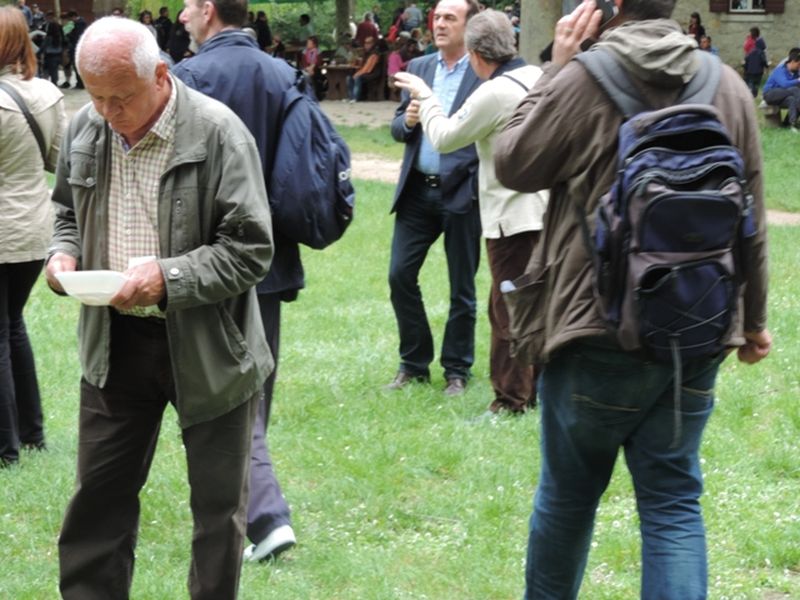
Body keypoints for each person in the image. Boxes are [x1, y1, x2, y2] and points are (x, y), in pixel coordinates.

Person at [494, 1, 770, 598]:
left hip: (593, 327)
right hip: (697, 327)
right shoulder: (727, 85)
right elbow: (752, 218)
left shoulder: (581, 79)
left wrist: (554, 68)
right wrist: (754, 323)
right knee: (673, 502)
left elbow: (512, 162)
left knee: (567, 498)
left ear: (612, 8)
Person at [46, 17, 273, 598]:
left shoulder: (219, 134)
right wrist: (63, 253)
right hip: (115, 341)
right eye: (96, 96)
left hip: (210, 345)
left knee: (218, 511)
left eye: (121, 97)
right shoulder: (85, 127)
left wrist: (167, 278)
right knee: (98, 499)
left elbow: (250, 249)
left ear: (161, 75)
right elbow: (66, 212)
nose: (108, 111)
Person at [173, 0, 302, 564]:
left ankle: (263, 516)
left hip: (209, 263)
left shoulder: (187, 77)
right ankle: (252, 507)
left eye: (187, 5)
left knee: (228, 399)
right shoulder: (282, 73)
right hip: (270, 259)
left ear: (208, 9)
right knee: (254, 387)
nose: (181, 16)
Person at [393, 9, 546, 415]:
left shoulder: (494, 91)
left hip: (511, 216)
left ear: (476, 54)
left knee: (507, 310)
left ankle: (510, 401)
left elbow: (444, 137)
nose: (440, 24)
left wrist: (425, 97)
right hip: (541, 210)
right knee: (529, 303)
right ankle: (536, 392)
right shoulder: (534, 76)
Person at [386, 0, 481, 395]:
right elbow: (396, 128)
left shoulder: (483, 71)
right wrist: (407, 122)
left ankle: (457, 370)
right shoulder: (420, 67)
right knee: (399, 275)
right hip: (417, 192)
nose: (440, 24)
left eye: (450, 18)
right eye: (437, 17)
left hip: (461, 192)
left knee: (462, 287)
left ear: (470, 26)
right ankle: (414, 364)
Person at [0, 6, 66, 467]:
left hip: (5, 229)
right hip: (35, 228)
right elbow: (59, 160)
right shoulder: (47, 94)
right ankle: (32, 433)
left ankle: (6, 449)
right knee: (13, 326)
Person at [762, 48, 800, 129]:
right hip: (770, 94)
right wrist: (798, 80)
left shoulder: (795, 73)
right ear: (793, 61)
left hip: (784, 95)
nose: (799, 67)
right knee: (795, 90)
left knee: (792, 99)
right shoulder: (780, 70)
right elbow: (785, 84)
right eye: (799, 64)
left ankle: (789, 124)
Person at [346, 35, 383, 102]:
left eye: (368, 43)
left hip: (372, 73)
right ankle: (350, 97)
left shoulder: (374, 54)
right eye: (365, 43)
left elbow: (368, 69)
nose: (366, 45)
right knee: (349, 78)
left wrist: (357, 74)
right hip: (366, 72)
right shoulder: (366, 53)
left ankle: (355, 98)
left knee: (357, 78)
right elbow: (362, 65)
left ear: (372, 44)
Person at [63, 10, 86, 89]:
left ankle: (80, 83)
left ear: (74, 16)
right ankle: (79, 83)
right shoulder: (79, 22)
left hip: (77, 47)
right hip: (77, 47)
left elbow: (76, 36)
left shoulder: (80, 23)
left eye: (70, 18)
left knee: (77, 66)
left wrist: (69, 35)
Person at [743, 28, 768, 98]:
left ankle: (751, 92)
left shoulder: (752, 51)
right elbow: (763, 60)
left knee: (751, 82)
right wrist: (766, 65)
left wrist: (745, 67)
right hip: (758, 70)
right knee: (756, 83)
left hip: (751, 69)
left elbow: (747, 59)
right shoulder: (761, 52)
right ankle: (754, 93)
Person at [40, 10, 63, 84]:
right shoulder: (56, 26)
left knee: (48, 69)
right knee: (53, 70)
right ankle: (53, 83)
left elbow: (46, 41)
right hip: (56, 51)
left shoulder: (52, 27)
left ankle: (49, 83)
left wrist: (41, 51)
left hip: (50, 52)